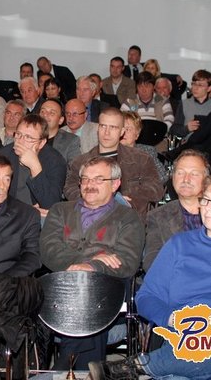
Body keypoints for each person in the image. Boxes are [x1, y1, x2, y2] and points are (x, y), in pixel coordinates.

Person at [90, 172, 211, 379]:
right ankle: (166, 364)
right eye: (206, 200)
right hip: (189, 339)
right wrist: (173, 318)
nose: (209, 207)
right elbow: (147, 296)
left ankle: (141, 366)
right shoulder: (179, 245)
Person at [41, 156, 145, 369]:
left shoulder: (128, 218)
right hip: (62, 283)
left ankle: (64, 370)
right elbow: (49, 251)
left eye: (99, 179)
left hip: (108, 287)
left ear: (115, 184)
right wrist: (89, 261)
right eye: (85, 179)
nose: (90, 184)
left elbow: (127, 261)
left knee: (90, 297)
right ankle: (82, 371)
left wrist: (92, 268)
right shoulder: (60, 210)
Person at [64, 107, 164, 219]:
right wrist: (96, 200)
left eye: (113, 127)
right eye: (103, 126)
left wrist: (127, 200)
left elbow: (156, 189)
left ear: (122, 132)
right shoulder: (81, 162)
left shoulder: (141, 159)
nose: (107, 133)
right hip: (93, 219)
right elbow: (69, 188)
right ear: (98, 128)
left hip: (131, 219)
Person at [142, 149, 209, 271]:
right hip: (175, 278)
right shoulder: (158, 216)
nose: (186, 179)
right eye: (180, 173)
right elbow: (151, 260)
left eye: (194, 174)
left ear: (206, 179)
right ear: (172, 177)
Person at [0, 114, 67, 213]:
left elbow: (51, 204)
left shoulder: (55, 160)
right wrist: (25, 211)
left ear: (41, 143)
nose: (20, 141)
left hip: (39, 218)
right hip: (8, 213)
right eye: (18, 134)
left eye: (28, 137)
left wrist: (35, 167)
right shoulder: (1, 156)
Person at [169, 69, 211, 172]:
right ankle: (190, 144)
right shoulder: (184, 104)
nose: (195, 88)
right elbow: (173, 130)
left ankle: (183, 148)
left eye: (200, 85)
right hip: (193, 150)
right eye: (193, 84)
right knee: (198, 145)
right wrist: (187, 128)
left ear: (209, 88)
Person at [120, 111, 168, 184]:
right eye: (121, 128)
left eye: (128, 129)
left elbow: (162, 177)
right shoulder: (110, 151)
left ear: (137, 135)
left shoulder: (147, 152)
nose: (124, 132)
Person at [39, 98, 81, 163]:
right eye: (42, 111)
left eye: (52, 113)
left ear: (60, 120)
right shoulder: (27, 136)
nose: (45, 115)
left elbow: (74, 167)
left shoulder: (71, 141)